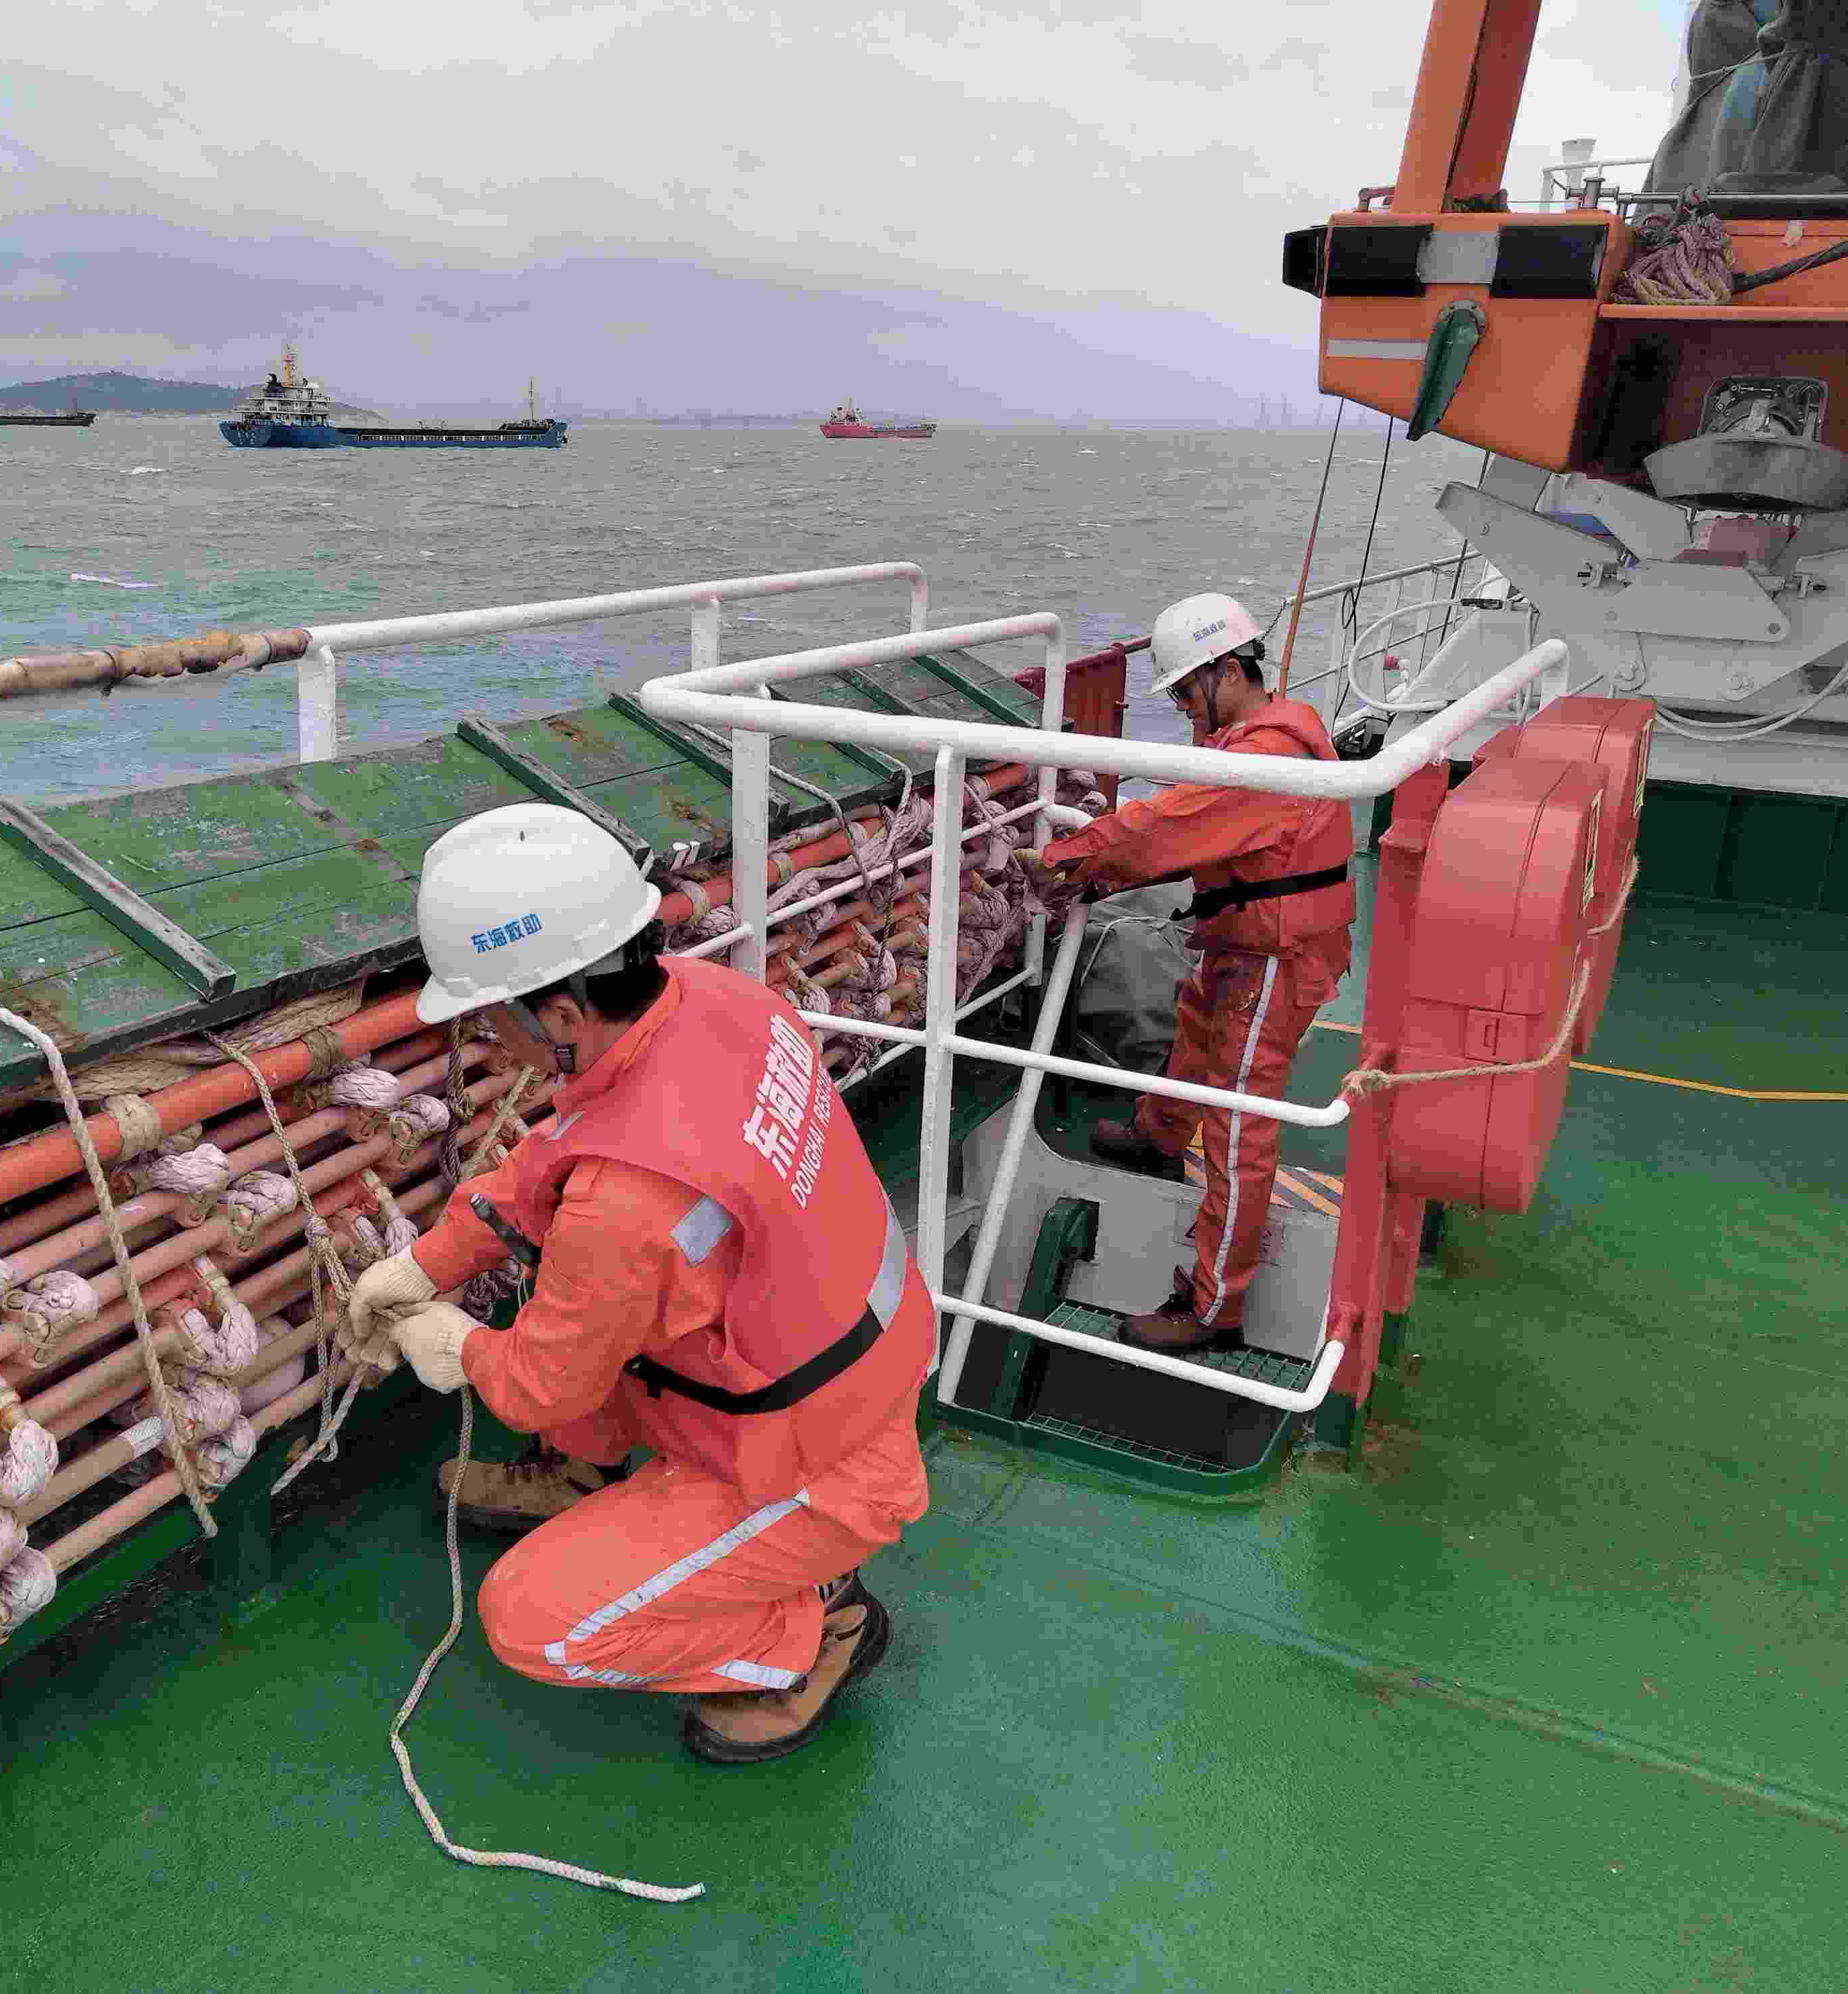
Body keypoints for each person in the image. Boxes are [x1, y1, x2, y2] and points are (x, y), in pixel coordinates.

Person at [343, 803, 934, 1764]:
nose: (488, 1038)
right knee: (583, 1281)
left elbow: (540, 1383)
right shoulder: (713, 1000)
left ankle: (817, 1630)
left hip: (814, 1463)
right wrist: (429, 1263)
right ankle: (581, 1476)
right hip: (848, 1365)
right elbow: (558, 1163)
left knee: (535, 1624)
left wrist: (452, 1344)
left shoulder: (625, 1209)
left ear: (561, 1017)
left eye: (491, 1018)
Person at [1015, 593, 1356, 1357]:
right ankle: (1159, 1134)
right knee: (1195, 1029)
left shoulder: (1263, 764)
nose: (1180, 710)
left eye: (1183, 693)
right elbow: (1192, 826)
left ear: (1228, 672)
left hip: (1275, 960)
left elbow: (1167, 827)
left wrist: (1071, 859)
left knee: (1237, 1127)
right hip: (1246, 945)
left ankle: (1213, 1309)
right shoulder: (1271, 737)